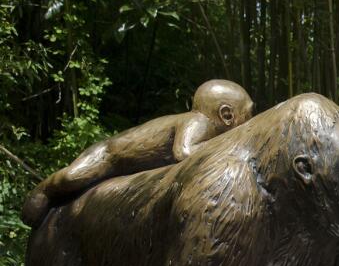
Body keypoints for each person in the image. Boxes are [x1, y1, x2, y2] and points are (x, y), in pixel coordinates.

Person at [21, 79, 255, 227]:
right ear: (227, 115)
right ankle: (44, 189)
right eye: (248, 113)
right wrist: (230, 147)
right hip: (109, 154)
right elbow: (183, 152)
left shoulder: (204, 126)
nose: (251, 120)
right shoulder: (198, 121)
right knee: (72, 177)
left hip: (124, 166)